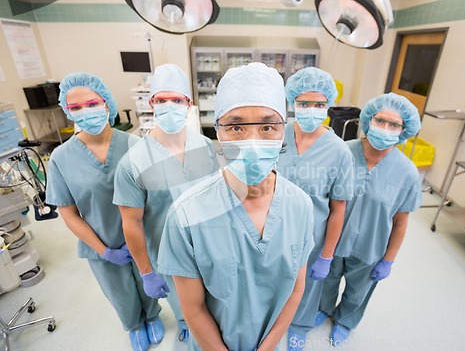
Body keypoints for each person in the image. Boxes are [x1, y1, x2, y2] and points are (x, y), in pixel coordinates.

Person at [157, 62, 315, 351]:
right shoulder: (187, 215)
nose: (252, 141)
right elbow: (193, 309)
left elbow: (296, 289)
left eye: (267, 126)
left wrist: (268, 347)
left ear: (283, 129)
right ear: (218, 131)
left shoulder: (300, 206)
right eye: (236, 126)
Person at [46, 72, 161, 351]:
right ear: (67, 112)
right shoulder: (61, 158)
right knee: (120, 293)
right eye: (76, 108)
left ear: (106, 104)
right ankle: (133, 325)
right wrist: (103, 250)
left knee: (149, 283)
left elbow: (156, 198)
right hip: (101, 243)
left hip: (142, 237)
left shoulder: (135, 146)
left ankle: (153, 315)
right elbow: (69, 213)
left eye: (92, 104)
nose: (85, 112)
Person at [113, 63, 219, 343]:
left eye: (177, 100)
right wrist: (146, 272)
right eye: (162, 100)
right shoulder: (133, 162)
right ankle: (185, 321)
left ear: (189, 104)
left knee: (213, 301)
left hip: (209, 245)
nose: (169, 106)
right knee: (183, 303)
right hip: (168, 255)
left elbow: (215, 196)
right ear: (151, 104)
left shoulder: (205, 146)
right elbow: (132, 222)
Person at [316, 92, 422, 346]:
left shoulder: (407, 172)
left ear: (403, 129)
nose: (385, 128)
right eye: (380, 120)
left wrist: (389, 259)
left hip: (370, 247)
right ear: (368, 120)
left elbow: (400, 221)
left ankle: (345, 321)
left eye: (394, 124)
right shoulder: (342, 153)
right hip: (332, 241)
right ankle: (324, 309)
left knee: (358, 291)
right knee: (326, 282)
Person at [275, 67, 354, 351]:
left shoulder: (338, 150)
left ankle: (299, 326)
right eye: (304, 103)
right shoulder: (275, 136)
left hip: (312, 237)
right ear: (292, 102)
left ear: (328, 105)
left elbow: (338, 208)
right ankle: (274, 322)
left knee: (307, 288)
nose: (311, 110)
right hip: (270, 231)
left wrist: (327, 255)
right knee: (271, 281)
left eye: (319, 104)